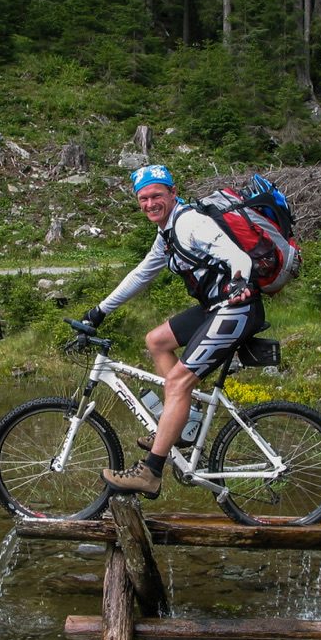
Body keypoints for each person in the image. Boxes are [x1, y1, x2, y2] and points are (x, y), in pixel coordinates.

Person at [81, 164, 265, 498]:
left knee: (179, 381)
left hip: (237, 307)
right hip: (216, 308)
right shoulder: (166, 234)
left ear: (173, 193)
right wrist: (99, 311)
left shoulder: (190, 223)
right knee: (156, 341)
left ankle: (150, 472)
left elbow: (237, 256)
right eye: (143, 198)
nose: (150, 203)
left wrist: (239, 281)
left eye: (156, 195)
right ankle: (185, 424)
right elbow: (140, 275)